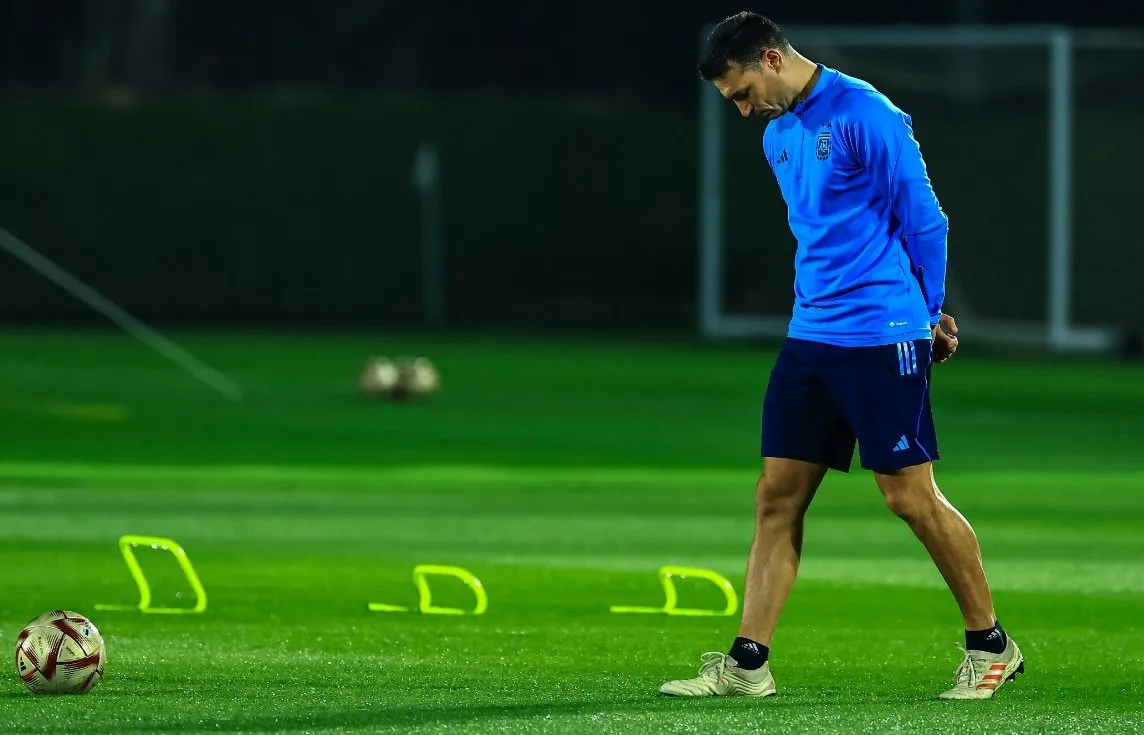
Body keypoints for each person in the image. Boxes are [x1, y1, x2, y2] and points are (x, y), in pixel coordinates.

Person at [659, 12, 1024, 701]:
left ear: (770, 58)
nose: (741, 110)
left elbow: (925, 218)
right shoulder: (778, 136)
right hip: (811, 337)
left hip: (881, 333)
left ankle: (991, 643)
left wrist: (930, 312)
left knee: (908, 497)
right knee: (775, 497)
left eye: (741, 92)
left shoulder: (867, 114)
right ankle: (747, 663)